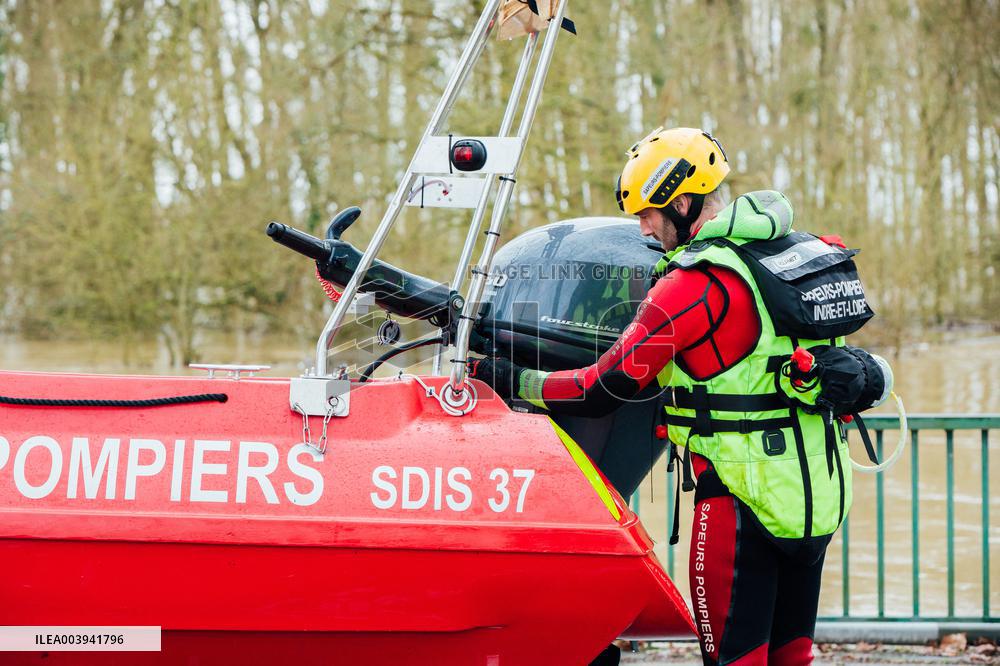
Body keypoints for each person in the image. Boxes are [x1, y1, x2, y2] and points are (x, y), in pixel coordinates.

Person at [469, 127, 876, 665]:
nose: (642, 229)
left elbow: (602, 387)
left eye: (648, 213)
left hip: (740, 503)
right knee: (793, 657)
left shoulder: (694, 283)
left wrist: (507, 378)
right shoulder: (802, 257)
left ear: (682, 203)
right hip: (816, 496)